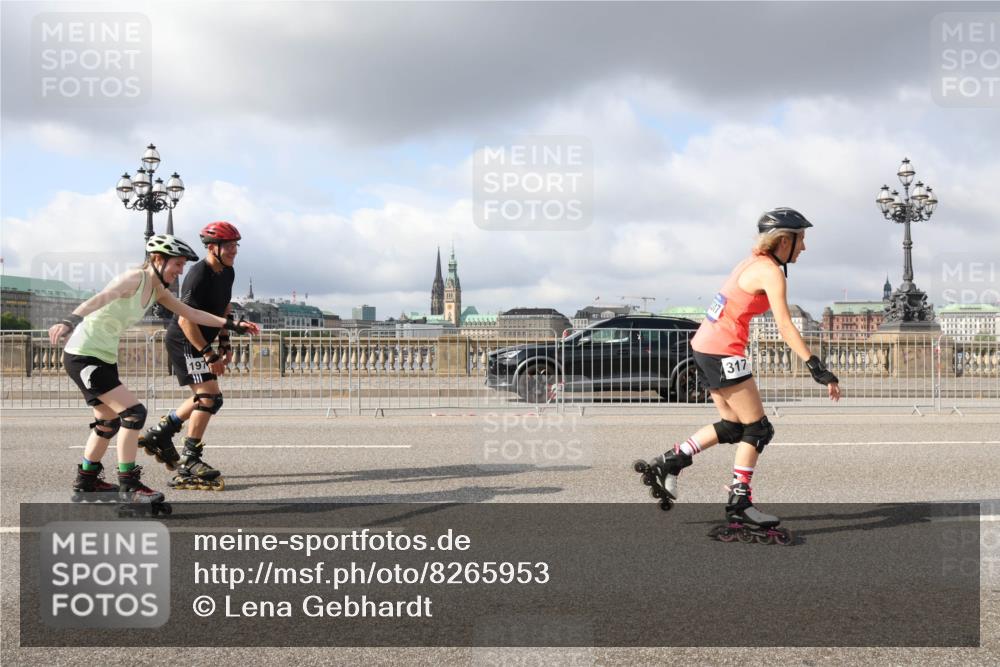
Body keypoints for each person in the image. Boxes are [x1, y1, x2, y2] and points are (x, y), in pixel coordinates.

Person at [634, 208, 841, 543]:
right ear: (784, 240)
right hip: (723, 349)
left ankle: (670, 461)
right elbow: (785, 324)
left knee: (733, 426)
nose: (804, 247)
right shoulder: (770, 271)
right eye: (801, 239)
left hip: (705, 345)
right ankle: (739, 502)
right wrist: (815, 365)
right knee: (758, 429)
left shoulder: (749, 262)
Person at [50, 234, 260, 511]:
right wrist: (69, 321)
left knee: (108, 422)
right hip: (84, 355)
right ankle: (129, 487)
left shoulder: (157, 290)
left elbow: (192, 313)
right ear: (158, 260)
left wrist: (232, 325)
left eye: (183, 265)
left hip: (102, 357)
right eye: (177, 264)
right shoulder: (134, 278)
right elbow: (99, 299)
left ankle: (87, 482)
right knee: (133, 413)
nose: (180, 271)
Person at [138, 221, 244, 491]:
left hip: (201, 339)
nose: (234, 251)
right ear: (212, 248)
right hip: (185, 339)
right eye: (229, 246)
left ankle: (161, 433)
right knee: (208, 397)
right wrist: (209, 355)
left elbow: (224, 307)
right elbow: (186, 320)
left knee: (209, 398)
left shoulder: (227, 271)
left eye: (236, 245)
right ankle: (189, 461)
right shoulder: (198, 274)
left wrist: (225, 342)